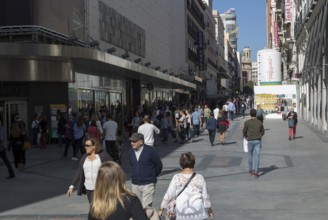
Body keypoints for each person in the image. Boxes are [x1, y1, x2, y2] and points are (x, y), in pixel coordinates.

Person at [158, 152, 214, 220]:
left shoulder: (176, 177)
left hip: (181, 209)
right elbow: (205, 196)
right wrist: (209, 210)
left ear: (181, 164)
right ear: (193, 163)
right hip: (197, 209)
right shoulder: (200, 177)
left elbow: (169, 194)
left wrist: (161, 208)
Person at [67, 138, 112, 203]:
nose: (86, 147)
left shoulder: (103, 156)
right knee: (93, 207)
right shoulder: (84, 157)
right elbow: (79, 171)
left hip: (101, 188)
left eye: (88, 146)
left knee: (101, 208)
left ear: (94, 146)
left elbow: (113, 168)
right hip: (89, 188)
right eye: (85, 145)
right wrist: (71, 186)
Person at [128, 133, 163, 208]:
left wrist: (152, 175)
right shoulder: (131, 152)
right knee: (136, 206)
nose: (132, 143)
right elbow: (132, 165)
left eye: (134, 141)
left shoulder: (150, 151)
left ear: (141, 142)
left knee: (146, 207)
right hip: (135, 183)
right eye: (131, 141)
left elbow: (158, 165)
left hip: (148, 183)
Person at [243, 109, 265, 178]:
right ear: (256, 114)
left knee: (250, 155)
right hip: (257, 141)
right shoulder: (259, 122)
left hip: (250, 140)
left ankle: (250, 170)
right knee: (257, 156)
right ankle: (256, 171)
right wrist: (259, 135)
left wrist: (246, 136)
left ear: (250, 114)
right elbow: (263, 132)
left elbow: (244, 131)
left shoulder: (247, 122)